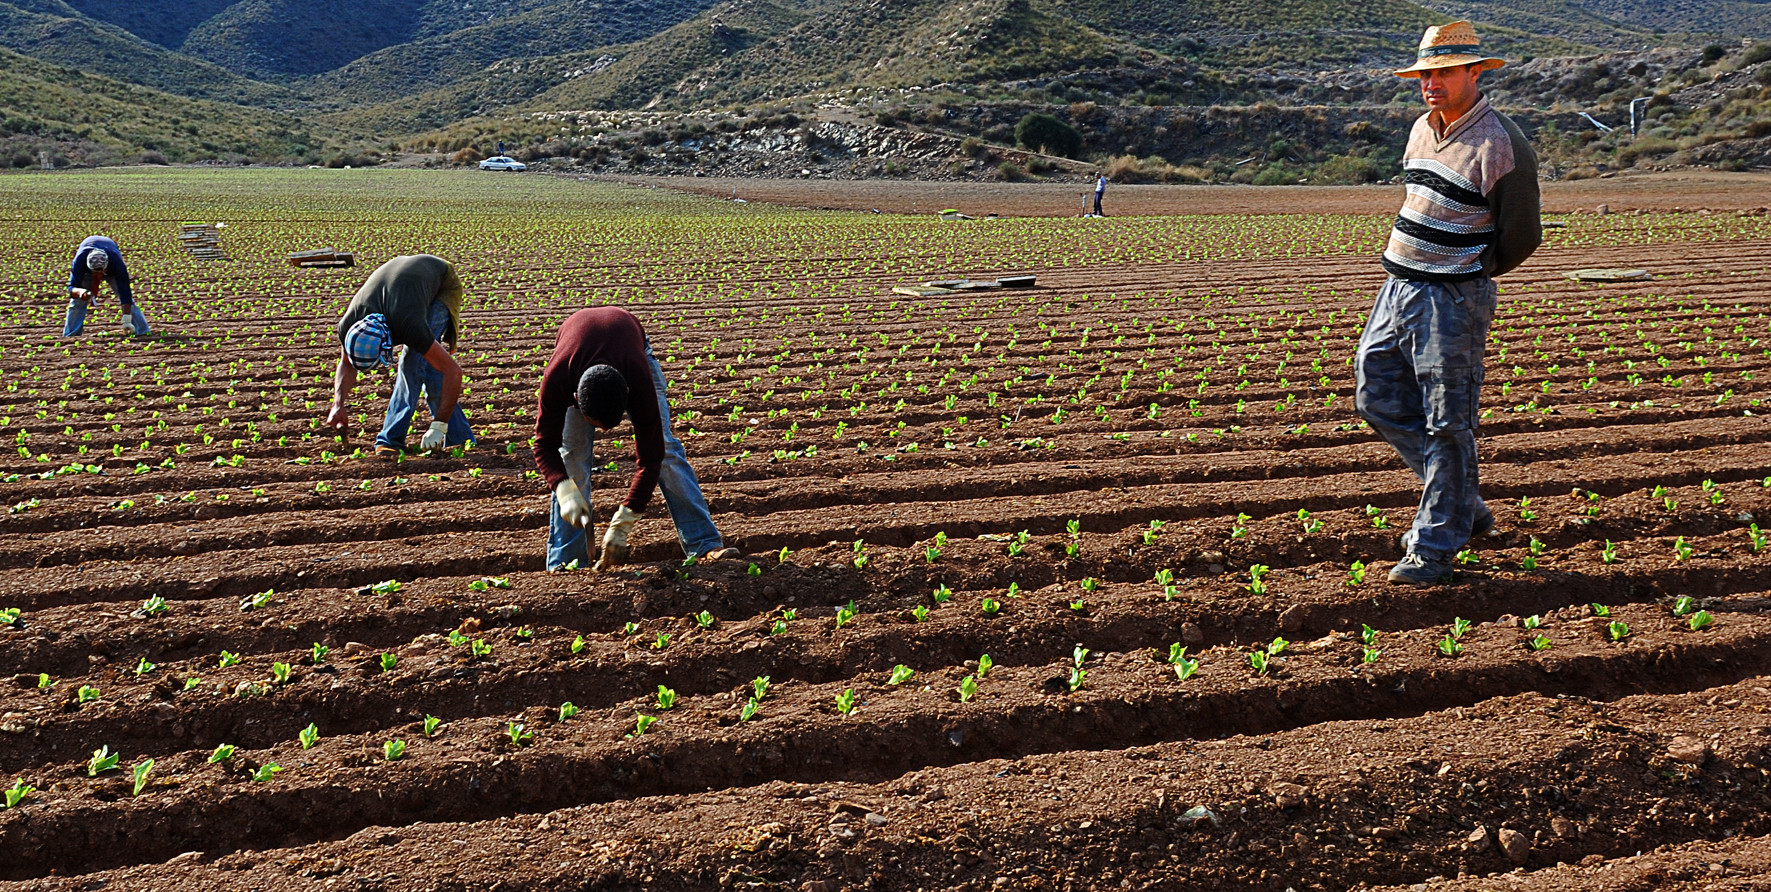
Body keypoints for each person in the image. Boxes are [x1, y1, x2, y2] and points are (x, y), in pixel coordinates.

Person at [1355, 20, 1541, 585]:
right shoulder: (1421, 129)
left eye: (1444, 73)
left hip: (1452, 296)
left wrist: (1467, 275)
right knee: (1375, 392)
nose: (1431, 83)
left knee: (1447, 423)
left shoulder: (1500, 143)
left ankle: (1435, 545)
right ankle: (1463, 501)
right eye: (1425, 74)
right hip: (1399, 287)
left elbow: (1521, 233)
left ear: (1475, 73)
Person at [534, 306, 738, 571]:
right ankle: (567, 562)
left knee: (665, 450)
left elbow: (650, 456)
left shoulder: (639, 382)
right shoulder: (557, 380)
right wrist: (562, 487)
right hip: (575, 351)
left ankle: (704, 544)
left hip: (633, 348)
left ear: (628, 396)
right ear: (575, 400)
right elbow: (543, 445)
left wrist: (624, 521)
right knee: (571, 456)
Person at [325, 255, 474, 456]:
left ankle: (390, 439)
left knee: (413, 362)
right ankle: (460, 438)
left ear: (387, 343)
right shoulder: (349, 326)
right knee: (428, 368)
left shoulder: (408, 325)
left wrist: (439, 426)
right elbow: (346, 363)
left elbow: (453, 371)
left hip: (441, 283)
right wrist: (338, 404)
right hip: (403, 281)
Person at [64, 236, 151, 337]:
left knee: (130, 301)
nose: (98, 276)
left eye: (100, 272)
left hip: (111, 262)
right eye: (95, 273)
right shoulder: (80, 262)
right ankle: (71, 335)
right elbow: (71, 288)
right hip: (87, 270)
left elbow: (125, 294)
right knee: (77, 303)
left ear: (105, 269)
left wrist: (127, 319)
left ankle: (142, 331)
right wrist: (80, 292)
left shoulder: (117, 265)